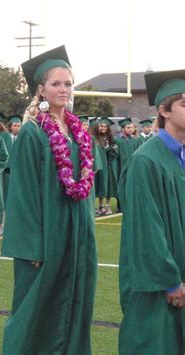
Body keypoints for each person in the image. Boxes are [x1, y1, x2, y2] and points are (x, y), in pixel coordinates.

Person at [1, 45, 97, 354]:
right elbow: (23, 193)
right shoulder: (32, 133)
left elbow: (84, 185)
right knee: (37, 309)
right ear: (40, 89)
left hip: (76, 234)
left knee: (74, 303)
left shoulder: (78, 131)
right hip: (46, 238)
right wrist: (32, 245)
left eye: (68, 84)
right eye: (56, 83)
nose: (64, 89)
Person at [118, 69, 185, 354]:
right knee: (156, 343)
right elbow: (146, 227)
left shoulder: (180, 156)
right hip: (159, 283)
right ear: (163, 111)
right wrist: (169, 280)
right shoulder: (145, 160)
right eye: (184, 103)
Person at [92, 117, 119, 216]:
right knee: (99, 184)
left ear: (108, 128)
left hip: (109, 165)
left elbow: (115, 152)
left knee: (107, 184)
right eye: (101, 126)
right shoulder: (96, 138)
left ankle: (106, 205)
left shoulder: (112, 139)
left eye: (105, 126)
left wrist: (110, 150)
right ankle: (99, 206)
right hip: (100, 164)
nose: (103, 128)